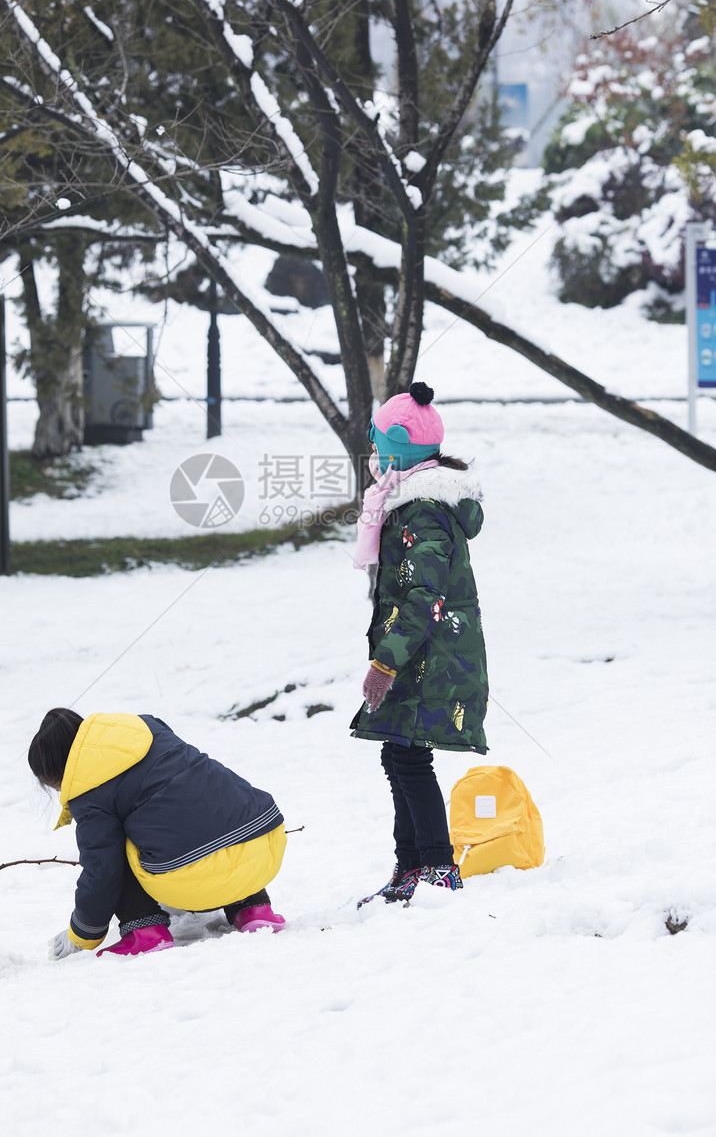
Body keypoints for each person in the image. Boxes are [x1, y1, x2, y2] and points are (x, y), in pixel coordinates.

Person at [350, 383, 489, 906]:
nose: (373, 453)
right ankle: (412, 867)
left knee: (407, 758)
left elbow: (424, 596)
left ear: (401, 448)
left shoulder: (423, 510)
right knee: (399, 755)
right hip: (424, 654)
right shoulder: (406, 502)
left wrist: (386, 662)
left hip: (434, 656)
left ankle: (434, 866)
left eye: (380, 443)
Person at [28, 708, 287, 958]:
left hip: (195, 876)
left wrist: (81, 932)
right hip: (264, 844)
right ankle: (254, 909)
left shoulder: (88, 790)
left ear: (61, 774)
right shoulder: (147, 728)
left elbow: (102, 872)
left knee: (114, 848)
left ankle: (144, 931)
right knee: (215, 813)